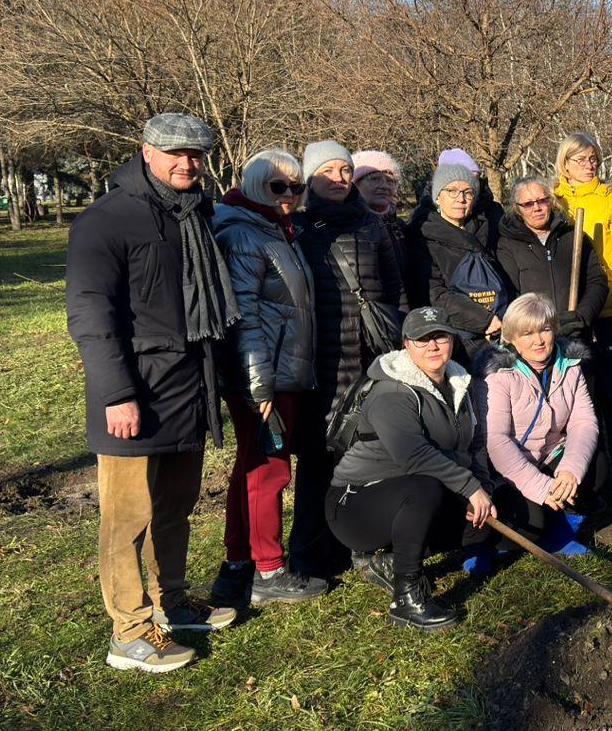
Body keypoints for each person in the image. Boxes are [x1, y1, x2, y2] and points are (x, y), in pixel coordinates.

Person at [67, 112, 238, 673]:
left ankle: (173, 601)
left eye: (196, 155)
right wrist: (117, 393)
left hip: (188, 388)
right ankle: (131, 630)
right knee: (127, 517)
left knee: (176, 507)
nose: (187, 164)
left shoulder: (196, 213)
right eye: (174, 154)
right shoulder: (106, 221)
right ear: (146, 152)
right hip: (134, 393)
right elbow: (91, 315)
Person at [208, 148, 328, 609]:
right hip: (267, 377)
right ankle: (268, 570)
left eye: (297, 187)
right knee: (269, 469)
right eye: (280, 186)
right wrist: (260, 385)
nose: (290, 195)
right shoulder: (244, 233)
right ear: (257, 184)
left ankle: (240, 557)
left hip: (282, 370)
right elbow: (246, 316)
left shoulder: (274, 228)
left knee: (252, 464)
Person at [326, 306, 497, 630]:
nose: (432, 346)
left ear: (452, 340)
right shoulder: (391, 391)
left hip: (416, 496)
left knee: (492, 519)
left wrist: (483, 487)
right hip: (355, 505)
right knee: (424, 487)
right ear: (406, 344)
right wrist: (470, 488)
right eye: (422, 339)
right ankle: (406, 598)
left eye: (440, 337)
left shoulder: (459, 384)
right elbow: (414, 456)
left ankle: (392, 559)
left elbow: (473, 444)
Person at [294, 140, 407, 581]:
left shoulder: (369, 224)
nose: (339, 179)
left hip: (372, 358)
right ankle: (309, 552)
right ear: (311, 178)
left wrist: (398, 349)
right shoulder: (300, 228)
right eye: (329, 172)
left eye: (345, 170)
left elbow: (396, 292)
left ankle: (365, 545)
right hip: (322, 363)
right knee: (320, 459)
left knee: (371, 454)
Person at [554, 132, 612, 497]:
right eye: (580, 160)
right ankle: (586, 481)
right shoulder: (555, 202)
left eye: (593, 158)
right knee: (576, 402)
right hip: (568, 315)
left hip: (608, 312)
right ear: (565, 165)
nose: (589, 166)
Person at [479, 293, 600, 538]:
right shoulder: (498, 375)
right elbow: (497, 440)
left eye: (544, 330)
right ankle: (483, 545)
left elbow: (584, 422)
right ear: (511, 338)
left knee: (597, 470)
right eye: (527, 333)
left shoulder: (570, 366)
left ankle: (565, 529)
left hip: (551, 452)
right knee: (531, 525)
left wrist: (570, 470)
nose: (538, 341)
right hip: (510, 466)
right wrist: (542, 487)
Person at [404, 151, 509, 355]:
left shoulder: (489, 229)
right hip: (456, 337)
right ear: (437, 197)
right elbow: (435, 294)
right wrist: (484, 320)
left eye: (468, 192)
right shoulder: (423, 237)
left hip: (502, 331)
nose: (460, 199)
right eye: (451, 191)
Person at [493, 178, 609, 344]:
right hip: (533, 340)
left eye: (542, 200)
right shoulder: (507, 245)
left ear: (550, 201)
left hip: (575, 337)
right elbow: (510, 294)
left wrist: (581, 316)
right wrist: (533, 327)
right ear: (518, 210)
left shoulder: (573, 237)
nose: (537, 208)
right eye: (528, 204)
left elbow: (597, 281)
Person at [353, 149, 406, 263]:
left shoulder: (400, 228)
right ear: (355, 184)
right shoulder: (347, 227)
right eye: (375, 179)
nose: (384, 186)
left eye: (390, 180)